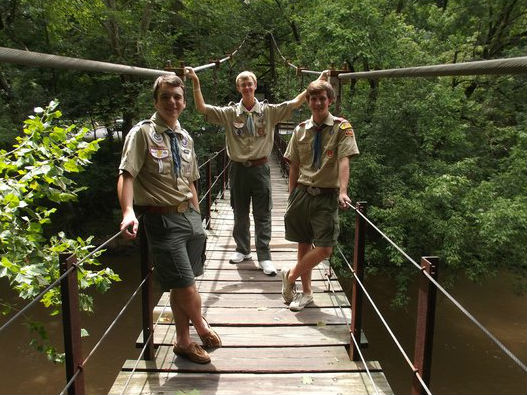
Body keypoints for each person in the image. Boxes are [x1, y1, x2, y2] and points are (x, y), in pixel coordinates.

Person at [117, 74, 221, 364]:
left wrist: (197, 215)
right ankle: (201, 327)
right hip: (162, 221)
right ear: (156, 100)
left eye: (177, 97)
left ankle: (183, 341)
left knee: (179, 284)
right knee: (187, 285)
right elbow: (127, 175)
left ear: (184, 102)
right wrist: (128, 212)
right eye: (165, 97)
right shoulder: (142, 133)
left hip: (189, 218)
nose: (172, 102)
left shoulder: (186, 137)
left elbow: (191, 180)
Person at [185, 67, 327, 276]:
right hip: (238, 169)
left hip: (260, 168)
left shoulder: (269, 112)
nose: (247, 87)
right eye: (243, 84)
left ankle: (264, 255)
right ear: (238, 88)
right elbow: (202, 108)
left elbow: (295, 103)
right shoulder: (230, 113)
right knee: (239, 211)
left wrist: (318, 81)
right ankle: (243, 250)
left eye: (249, 83)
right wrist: (195, 83)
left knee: (262, 214)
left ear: (255, 86)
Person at [280, 79, 359, 311]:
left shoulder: (342, 128)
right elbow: (293, 165)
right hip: (302, 193)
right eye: (313, 99)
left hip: (326, 195)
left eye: (322, 98)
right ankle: (305, 294)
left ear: (330, 100)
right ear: (308, 101)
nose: (317, 103)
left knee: (325, 247)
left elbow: (344, 159)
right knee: (303, 244)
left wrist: (343, 191)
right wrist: (291, 195)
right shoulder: (300, 129)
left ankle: (291, 276)